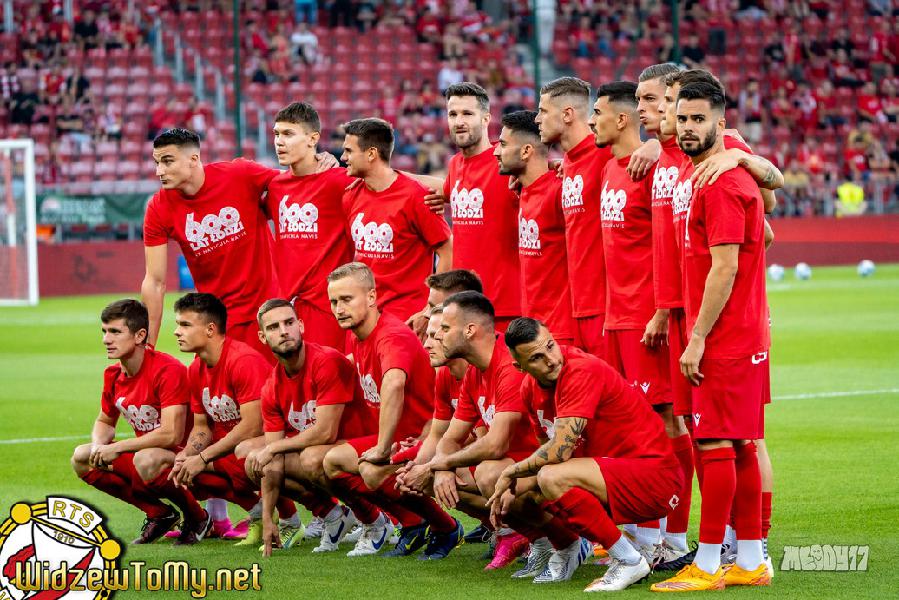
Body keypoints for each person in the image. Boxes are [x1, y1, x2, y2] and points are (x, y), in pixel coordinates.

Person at [651, 81, 771, 591]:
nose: (688, 128)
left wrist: (697, 336)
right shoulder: (699, 174)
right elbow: (762, 233)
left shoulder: (722, 182)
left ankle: (706, 563)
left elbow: (724, 268)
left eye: (699, 119)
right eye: (682, 118)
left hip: (724, 335)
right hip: (730, 330)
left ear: (721, 124)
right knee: (738, 445)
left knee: (716, 443)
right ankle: (750, 561)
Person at [489, 318, 683, 591]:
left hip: (655, 481)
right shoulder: (529, 390)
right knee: (516, 491)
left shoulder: (581, 369)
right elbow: (546, 453)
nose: (550, 360)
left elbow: (558, 451)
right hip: (608, 479)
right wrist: (511, 488)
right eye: (536, 358)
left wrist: (511, 472)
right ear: (520, 367)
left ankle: (628, 560)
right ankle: (567, 547)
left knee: (547, 477)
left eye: (550, 346)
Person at [424, 292, 590, 580]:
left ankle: (570, 541)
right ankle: (539, 542)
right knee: (436, 479)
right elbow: (449, 437)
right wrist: (440, 468)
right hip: (527, 466)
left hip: (559, 464)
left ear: (470, 330)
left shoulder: (509, 366)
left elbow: (496, 443)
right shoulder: (475, 373)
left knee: (489, 474)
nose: (436, 337)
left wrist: (441, 463)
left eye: (445, 329)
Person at [322, 263, 463, 559]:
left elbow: (394, 382)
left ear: (372, 297)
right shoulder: (357, 333)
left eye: (347, 299)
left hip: (420, 437)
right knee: (323, 461)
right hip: (400, 436)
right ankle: (405, 523)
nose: (339, 309)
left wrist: (382, 448)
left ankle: (447, 527)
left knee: (371, 472)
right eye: (334, 301)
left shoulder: (391, 335)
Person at [591, 79, 676, 558]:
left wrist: (661, 309)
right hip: (616, 316)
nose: (592, 122)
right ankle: (645, 534)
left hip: (647, 316)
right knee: (632, 426)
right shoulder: (609, 167)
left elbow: (667, 244)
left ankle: (671, 538)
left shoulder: (656, 166)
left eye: (598, 113)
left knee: (665, 424)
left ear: (619, 119)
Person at [535, 77, 660, 357]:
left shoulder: (603, 152)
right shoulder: (571, 162)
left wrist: (657, 146)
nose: (537, 119)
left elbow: (682, 146)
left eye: (542, 111)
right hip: (578, 307)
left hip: (613, 308)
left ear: (567, 114)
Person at [71, 299, 208, 545]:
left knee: (145, 459)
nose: (106, 339)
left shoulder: (167, 370)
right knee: (82, 457)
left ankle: (198, 517)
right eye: (104, 331)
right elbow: (105, 421)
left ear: (139, 335)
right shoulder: (113, 374)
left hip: (186, 459)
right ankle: (159, 514)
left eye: (115, 332)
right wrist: (99, 446)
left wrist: (117, 447)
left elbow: (172, 435)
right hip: (146, 459)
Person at [167, 293, 299, 546]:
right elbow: (202, 427)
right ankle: (257, 514)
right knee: (177, 467)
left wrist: (203, 458)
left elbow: (253, 426)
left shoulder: (242, 361)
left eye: (185, 325)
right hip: (236, 449)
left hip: (276, 440)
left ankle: (295, 520)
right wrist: (186, 455)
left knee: (242, 455)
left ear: (210, 329)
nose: (176, 332)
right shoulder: (195, 369)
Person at [245, 298, 374, 556]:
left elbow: (326, 432)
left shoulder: (325, 361)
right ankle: (334, 516)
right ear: (262, 337)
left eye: (289, 323)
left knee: (311, 458)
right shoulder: (271, 387)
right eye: (273, 327)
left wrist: (273, 448)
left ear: (301, 326)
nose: (284, 331)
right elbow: (272, 459)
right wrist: (269, 517)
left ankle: (375, 519)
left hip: (367, 444)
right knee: (254, 462)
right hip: (333, 454)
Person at [142, 128, 280, 362]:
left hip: (268, 314)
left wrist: (319, 162)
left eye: (167, 161)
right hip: (217, 324)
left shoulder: (239, 174)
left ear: (193, 158)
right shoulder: (158, 208)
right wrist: (147, 346)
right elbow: (154, 282)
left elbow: (293, 184)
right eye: (157, 163)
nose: (159, 171)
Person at [636, 62, 697, 570]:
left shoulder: (698, 159)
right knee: (664, 423)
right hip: (659, 313)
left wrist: (665, 307)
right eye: (641, 100)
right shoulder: (659, 162)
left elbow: (764, 226)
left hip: (686, 315)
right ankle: (662, 535)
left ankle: (697, 540)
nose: (647, 109)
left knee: (698, 428)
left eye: (654, 99)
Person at [341, 119, 453, 322]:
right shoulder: (350, 195)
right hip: (364, 316)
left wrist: (430, 309)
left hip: (406, 318)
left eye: (349, 151)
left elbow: (447, 251)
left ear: (371, 154)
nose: (343, 157)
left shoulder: (416, 196)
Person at [266, 102, 356, 351]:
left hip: (327, 309)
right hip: (286, 311)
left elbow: (388, 182)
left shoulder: (339, 181)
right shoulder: (274, 186)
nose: (279, 141)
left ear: (313, 138)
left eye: (288, 134)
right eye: (276, 134)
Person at [441, 82, 521, 332]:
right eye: (453, 114)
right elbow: (441, 189)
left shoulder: (506, 160)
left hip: (505, 307)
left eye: (467, 113)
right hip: (465, 307)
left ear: (486, 118)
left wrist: (557, 164)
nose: (459, 121)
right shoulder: (455, 164)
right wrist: (390, 174)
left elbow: (544, 172)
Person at [493, 110, 575, 344]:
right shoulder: (524, 190)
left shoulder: (560, 191)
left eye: (503, 144)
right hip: (533, 326)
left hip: (561, 330)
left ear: (526, 151)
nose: (496, 151)